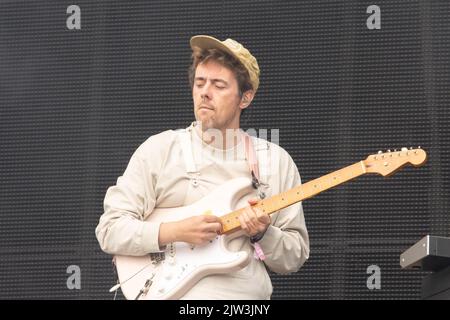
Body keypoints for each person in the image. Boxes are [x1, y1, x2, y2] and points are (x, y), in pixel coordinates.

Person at [95, 35, 309, 299]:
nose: (205, 92)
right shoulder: (160, 149)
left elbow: (293, 258)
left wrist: (263, 234)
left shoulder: (275, 162)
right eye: (200, 83)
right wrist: (174, 231)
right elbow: (110, 230)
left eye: (219, 85)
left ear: (245, 97)